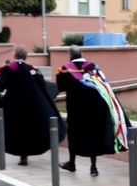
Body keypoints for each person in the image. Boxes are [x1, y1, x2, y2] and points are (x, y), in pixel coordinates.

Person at [56, 47, 130, 177]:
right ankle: (93, 168)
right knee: (93, 136)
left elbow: (61, 87)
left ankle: (72, 163)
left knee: (74, 135)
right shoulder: (93, 67)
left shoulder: (66, 68)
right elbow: (103, 84)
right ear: (82, 54)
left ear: (70, 55)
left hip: (76, 110)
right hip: (94, 109)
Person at [0, 47, 65, 166]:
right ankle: (31, 151)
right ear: (26, 56)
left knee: (18, 130)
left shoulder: (8, 69)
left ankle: (23, 156)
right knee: (30, 129)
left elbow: (1, 85)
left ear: (15, 55)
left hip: (14, 106)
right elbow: (42, 84)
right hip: (32, 105)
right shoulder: (32, 69)